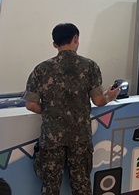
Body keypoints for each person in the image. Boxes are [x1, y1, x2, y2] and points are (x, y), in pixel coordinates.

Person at [23, 23, 120, 195]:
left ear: (54, 44)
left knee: (50, 187)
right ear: (76, 38)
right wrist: (110, 96)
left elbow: (30, 104)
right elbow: (98, 100)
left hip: (51, 138)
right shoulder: (89, 66)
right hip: (80, 137)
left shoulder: (41, 69)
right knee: (81, 185)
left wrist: (51, 111)